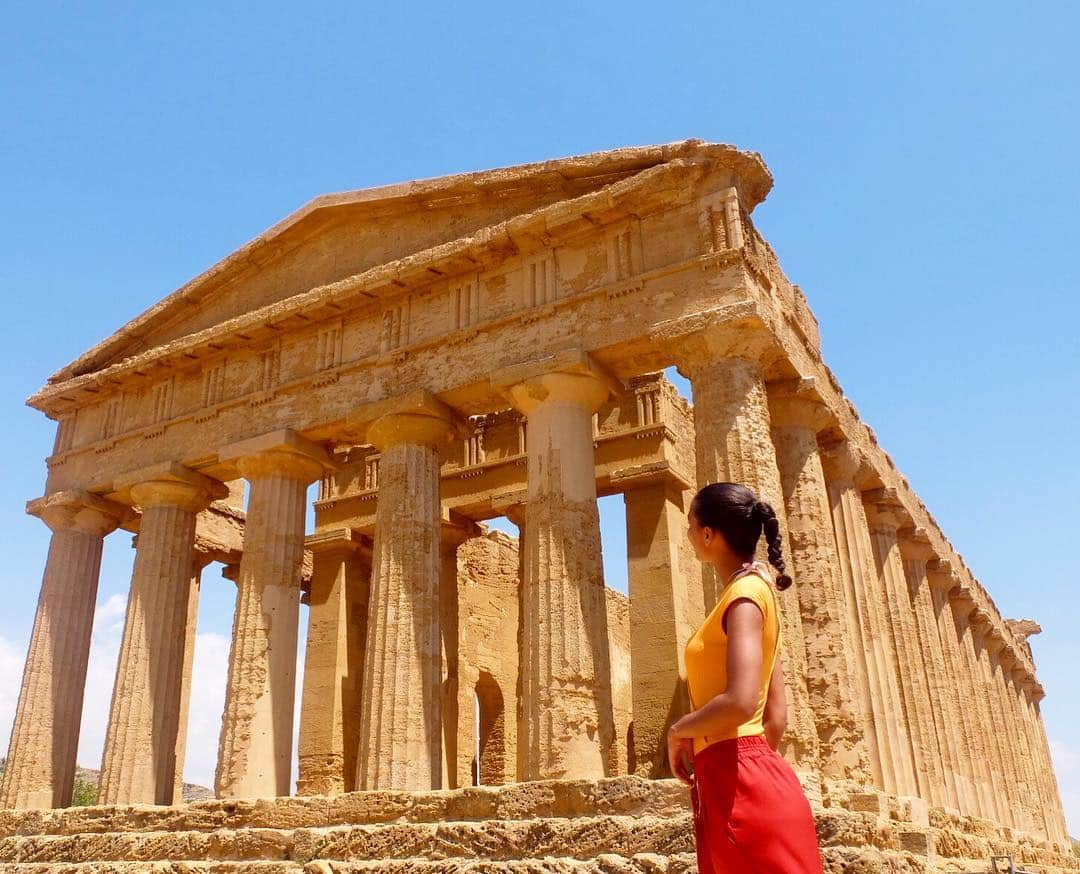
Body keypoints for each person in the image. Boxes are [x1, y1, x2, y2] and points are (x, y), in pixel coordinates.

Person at [667, 482, 823, 873]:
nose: (687, 534)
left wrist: (680, 731)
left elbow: (740, 701)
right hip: (742, 782)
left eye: (690, 525)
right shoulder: (755, 593)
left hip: (741, 791)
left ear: (708, 534)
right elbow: (776, 717)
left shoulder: (744, 598)